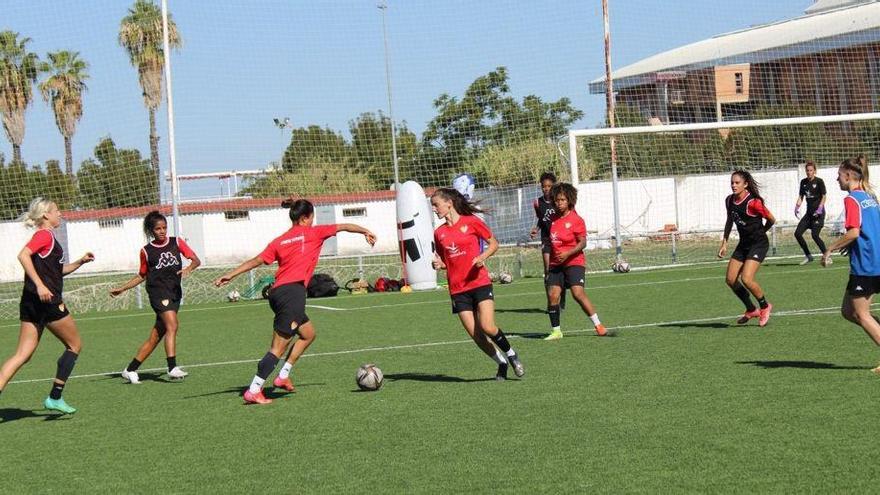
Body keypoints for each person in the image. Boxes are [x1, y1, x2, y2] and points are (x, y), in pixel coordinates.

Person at [213, 198, 377, 404]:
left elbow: (256, 260)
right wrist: (365, 231)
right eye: (312, 217)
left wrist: (231, 274)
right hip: (292, 294)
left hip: (278, 293)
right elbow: (344, 225)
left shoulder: (280, 240)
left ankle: (282, 376)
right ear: (305, 217)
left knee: (308, 334)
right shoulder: (314, 232)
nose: (313, 220)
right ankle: (254, 389)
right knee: (278, 348)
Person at [0, 198, 94, 414]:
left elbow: (57, 271)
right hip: (47, 301)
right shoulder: (44, 235)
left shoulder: (48, 239)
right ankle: (55, 397)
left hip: (30, 301)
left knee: (22, 355)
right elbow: (23, 255)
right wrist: (41, 285)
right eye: (56, 211)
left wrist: (80, 262)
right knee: (74, 345)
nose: (60, 213)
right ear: (46, 216)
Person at [431, 187, 524, 380]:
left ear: (449, 204)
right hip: (458, 290)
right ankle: (501, 362)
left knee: (488, 326)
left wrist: (482, 257)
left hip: (479, 282)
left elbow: (494, 243)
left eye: (436, 205)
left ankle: (512, 354)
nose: (434, 209)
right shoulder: (439, 233)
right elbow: (446, 260)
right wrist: (440, 264)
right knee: (476, 335)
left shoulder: (472, 222)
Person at [110, 211, 201, 383]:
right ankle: (172, 367)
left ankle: (130, 369)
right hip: (158, 293)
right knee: (173, 325)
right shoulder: (146, 251)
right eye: (158, 228)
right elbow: (141, 275)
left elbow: (196, 260)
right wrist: (123, 288)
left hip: (174, 292)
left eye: (164, 227)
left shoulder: (176, 242)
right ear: (151, 231)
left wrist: (189, 269)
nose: (162, 231)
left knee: (157, 335)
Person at [821, 156, 880, 374]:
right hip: (874, 259)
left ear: (848, 175)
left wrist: (831, 248)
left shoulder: (852, 199)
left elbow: (854, 231)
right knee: (848, 311)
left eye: (839, 175)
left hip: (867, 264)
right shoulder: (870, 197)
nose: (837, 179)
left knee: (862, 315)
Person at [542, 183, 608, 340]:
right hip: (556, 264)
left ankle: (598, 325)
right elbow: (547, 239)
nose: (559, 203)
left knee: (577, 293)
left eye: (563, 200)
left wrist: (568, 253)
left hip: (574, 261)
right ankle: (556, 331)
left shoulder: (576, 220)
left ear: (570, 200)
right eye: (557, 200)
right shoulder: (552, 218)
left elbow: (583, 243)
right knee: (553, 295)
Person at [718, 170, 775, 327]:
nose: (734, 185)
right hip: (743, 244)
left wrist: (762, 231)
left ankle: (765, 306)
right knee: (730, 280)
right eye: (732, 182)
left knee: (747, 279)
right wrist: (724, 242)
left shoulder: (754, 202)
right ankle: (751, 309)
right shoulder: (729, 200)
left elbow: (771, 219)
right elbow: (729, 220)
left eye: (737, 183)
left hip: (758, 244)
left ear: (745, 184)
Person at [530, 172, 565, 310]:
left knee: (561, 271)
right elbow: (541, 219)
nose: (546, 188)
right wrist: (536, 229)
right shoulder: (538, 202)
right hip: (546, 239)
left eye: (549, 186)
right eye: (544, 186)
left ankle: (562, 298)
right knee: (548, 270)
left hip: (560, 238)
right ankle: (550, 302)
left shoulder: (559, 201)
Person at [794, 161, 828, 265]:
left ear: (814, 171)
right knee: (797, 233)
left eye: (811, 170)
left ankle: (826, 256)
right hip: (808, 214)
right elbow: (801, 196)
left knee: (815, 235)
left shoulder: (819, 181)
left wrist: (820, 208)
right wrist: (797, 207)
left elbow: (824, 196)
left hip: (818, 214)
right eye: (807, 171)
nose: (809, 172)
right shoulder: (803, 182)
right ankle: (808, 256)